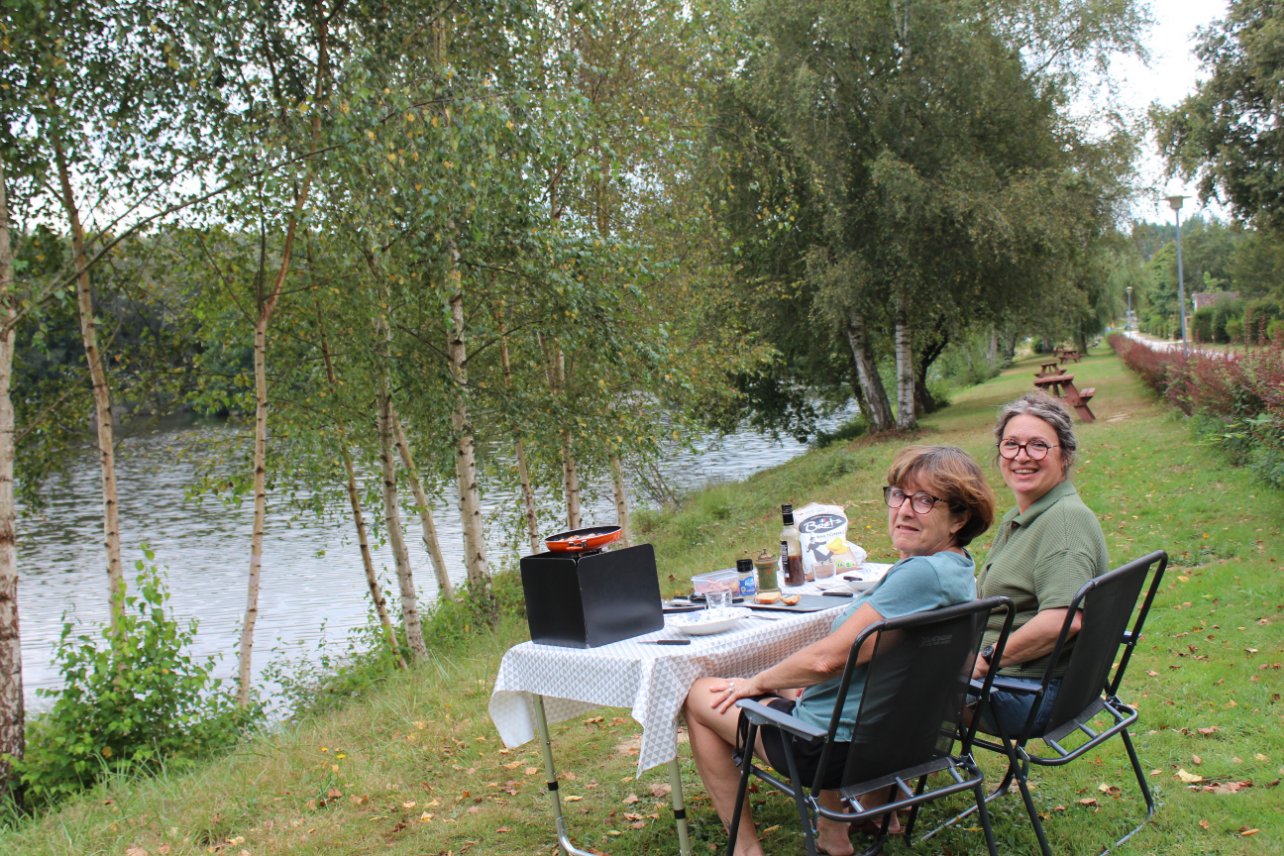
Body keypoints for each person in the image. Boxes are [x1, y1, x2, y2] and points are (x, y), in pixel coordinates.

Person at [683, 445, 996, 856]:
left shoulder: (921, 574)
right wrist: (791, 681)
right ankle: (835, 831)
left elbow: (828, 659)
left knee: (699, 695)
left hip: (833, 751)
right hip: (906, 740)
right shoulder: (957, 568)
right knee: (798, 684)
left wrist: (755, 682)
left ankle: (745, 850)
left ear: (959, 517)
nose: (903, 510)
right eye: (899, 495)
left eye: (924, 500)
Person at [971, 392, 1109, 736]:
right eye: (1011, 444)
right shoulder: (1030, 515)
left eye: (1038, 445)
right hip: (1018, 682)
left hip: (1024, 694)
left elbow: (1063, 620)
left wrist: (983, 661)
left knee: (881, 679)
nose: (1022, 456)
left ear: (1065, 455)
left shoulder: (1064, 524)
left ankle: (887, 771)